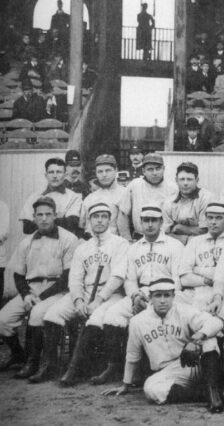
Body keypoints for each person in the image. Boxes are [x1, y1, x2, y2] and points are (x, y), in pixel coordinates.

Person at [102, 278, 224, 413]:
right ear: (150, 298)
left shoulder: (184, 311)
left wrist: (195, 338)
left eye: (167, 295)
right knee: (151, 389)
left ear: (173, 296)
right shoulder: (137, 322)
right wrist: (126, 384)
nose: (162, 300)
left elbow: (216, 322)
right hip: (167, 372)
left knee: (210, 340)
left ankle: (214, 394)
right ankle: (205, 394)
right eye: (158, 295)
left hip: (192, 363)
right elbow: (133, 354)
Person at [94, 204, 184, 385]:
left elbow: (177, 279)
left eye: (154, 220)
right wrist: (135, 296)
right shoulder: (133, 248)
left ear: (161, 222)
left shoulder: (175, 246)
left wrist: (158, 298)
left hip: (165, 294)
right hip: (141, 291)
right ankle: (114, 365)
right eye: (146, 220)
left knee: (150, 318)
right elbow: (129, 279)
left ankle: (147, 369)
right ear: (140, 223)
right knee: (112, 314)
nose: (150, 225)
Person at [44, 203, 130, 386]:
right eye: (95, 216)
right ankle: (50, 366)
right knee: (52, 314)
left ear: (110, 219)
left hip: (111, 294)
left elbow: (118, 276)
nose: (99, 220)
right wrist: (77, 300)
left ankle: (75, 369)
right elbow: (75, 278)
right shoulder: (83, 247)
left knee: (95, 320)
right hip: (85, 293)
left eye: (104, 216)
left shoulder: (120, 243)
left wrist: (98, 300)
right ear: (89, 220)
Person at [0, 197, 79, 379]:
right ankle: (19, 354)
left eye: (48, 214)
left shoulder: (68, 239)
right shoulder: (26, 242)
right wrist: (26, 295)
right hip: (32, 289)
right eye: (40, 215)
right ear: (34, 217)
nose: (44, 219)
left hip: (58, 290)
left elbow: (67, 276)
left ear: (55, 215)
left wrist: (40, 298)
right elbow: (18, 274)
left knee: (36, 313)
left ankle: (34, 362)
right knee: (2, 320)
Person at [176, 202, 224, 311]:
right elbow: (184, 279)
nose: (213, 222)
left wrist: (197, 270)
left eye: (218, 218)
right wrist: (206, 280)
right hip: (197, 291)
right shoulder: (195, 242)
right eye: (210, 218)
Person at [117, 153, 177, 242]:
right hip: (139, 238)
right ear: (143, 171)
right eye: (150, 169)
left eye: (158, 168)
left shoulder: (173, 188)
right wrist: (127, 241)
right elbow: (123, 215)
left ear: (163, 169)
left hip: (166, 239)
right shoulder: (134, 185)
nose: (155, 173)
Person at [19, 157, 83, 236]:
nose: (55, 176)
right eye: (51, 172)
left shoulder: (75, 197)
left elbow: (70, 225)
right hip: (38, 242)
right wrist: (59, 219)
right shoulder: (34, 197)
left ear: (65, 175)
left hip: (63, 241)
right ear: (46, 175)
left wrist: (39, 219)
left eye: (59, 172)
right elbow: (27, 228)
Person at [162, 162, 213, 245]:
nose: (185, 183)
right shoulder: (169, 201)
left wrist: (179, 228)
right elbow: (166, 232)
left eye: (189, 179)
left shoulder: (206, 198)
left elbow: (206, 230)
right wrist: (186, 238)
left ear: (197, 180)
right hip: (175, 245)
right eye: (182, 179)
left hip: (202, 244)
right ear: (176, 180)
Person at [80, 154, 126, 238]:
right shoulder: (90, 198)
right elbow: (84, 226)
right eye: (100, 171)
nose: (104, 175)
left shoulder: (125, 193)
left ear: (116, 170)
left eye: (108, 170)